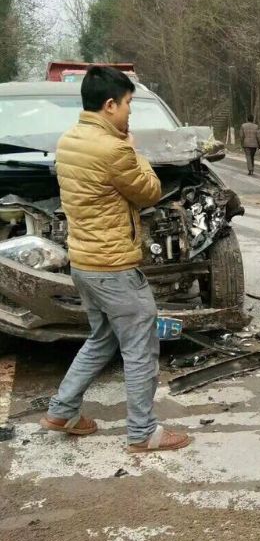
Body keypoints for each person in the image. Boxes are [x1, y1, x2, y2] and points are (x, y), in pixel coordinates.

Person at [41, 66, 191, 453]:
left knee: (102, 338)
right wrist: (136, 150)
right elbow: (150, 192)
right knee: (141, 347)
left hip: (85, 264)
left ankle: (62, 410)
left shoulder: (70, 138)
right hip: (114, 268)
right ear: (109, 106)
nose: (129, 114)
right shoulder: (115, 148)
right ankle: (143, 433)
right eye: (127, 105)